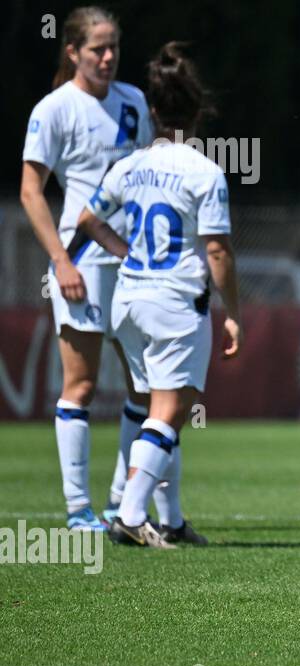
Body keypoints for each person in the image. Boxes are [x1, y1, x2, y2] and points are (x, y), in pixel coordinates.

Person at [76, 42, 241, 547]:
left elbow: (87, 220)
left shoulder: (129, 166)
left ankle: (169, 520)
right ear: (197, 113)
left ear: (152, 111)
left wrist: (126, 253)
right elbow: (216, 251)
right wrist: (233, 310)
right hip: (174, 304)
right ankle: (128, 513)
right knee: (169, 413)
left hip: (128, 302)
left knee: (158, 411)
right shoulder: (205, 172)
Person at [20, 6, 154, 532]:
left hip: (133, 265)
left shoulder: (134, 102)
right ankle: (79, 509)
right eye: (98, 47)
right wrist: (59, 260)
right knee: (82, 385)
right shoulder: (55, 109)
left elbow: (147, 177)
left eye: (114, 46)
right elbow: (32, 190)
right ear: (73, 51)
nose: (108, 56)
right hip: (82, 264)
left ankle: (123, 503)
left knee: (147, 385)